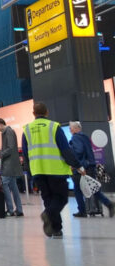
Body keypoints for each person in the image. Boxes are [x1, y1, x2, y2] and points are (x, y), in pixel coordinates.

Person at [21, 102, 80, 238]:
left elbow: (25, 154)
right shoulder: (54, 127)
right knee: (61, 198)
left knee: (48, 200)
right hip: (55, 170)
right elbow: (65, 149)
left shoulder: (27, 130)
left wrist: (30, 173)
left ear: (33, 114)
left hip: (38, 171)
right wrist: (77, 165)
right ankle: (48, 216)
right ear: (47, 112)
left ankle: (56, 229)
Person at [69, 121, 115, 218]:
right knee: (93, 189)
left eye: (71, 128)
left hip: (81, 168)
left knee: (77, 189)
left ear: (76, 129)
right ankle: (109, 204)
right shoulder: (85, 137)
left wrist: (76, 164)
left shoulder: (76, 137)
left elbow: (78, 151)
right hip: (90, 166)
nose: (70, 130)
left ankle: (82, 211)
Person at [0, 118, 23, 217]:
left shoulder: (9, 132)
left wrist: (0, 155)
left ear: (0, 124)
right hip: (9, 165)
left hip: (9, 165)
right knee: (14, 188)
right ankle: (19, 209)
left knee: (5, 185)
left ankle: (10, 210)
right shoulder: (6, 133)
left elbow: (11, 148)